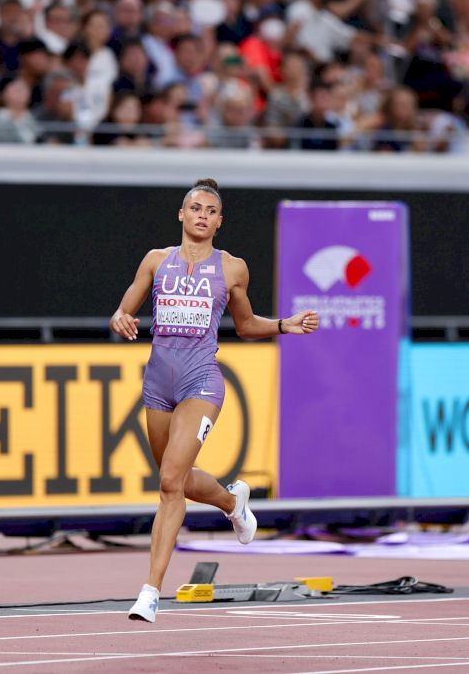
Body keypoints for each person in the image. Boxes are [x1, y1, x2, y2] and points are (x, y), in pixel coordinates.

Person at [112, 178, 320, 623]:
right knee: (179, 479)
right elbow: (124, 309)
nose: (202, 215)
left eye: (210, 210)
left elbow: (244, 325)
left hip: (201, 381)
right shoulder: (155, 261)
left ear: (219, 221)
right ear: (181, 215)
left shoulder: (231, 268)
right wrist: (119, 317)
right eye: (195, 208)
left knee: (169, 483)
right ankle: (232, 503)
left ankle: (150, 592)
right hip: (157, 384)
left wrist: (286, 324)